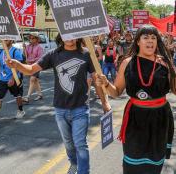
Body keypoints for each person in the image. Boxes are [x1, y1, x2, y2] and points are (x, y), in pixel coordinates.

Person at [95, 25, 176, 174]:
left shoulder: (165, 62)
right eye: (146, 37)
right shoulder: (127, 62)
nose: (150, 41)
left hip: (159, 118)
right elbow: (116, 92)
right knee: (132, 163)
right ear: (138, 41)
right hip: (135, 119)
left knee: (154, 165)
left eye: (153, 38)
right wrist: (105, 84)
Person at [6, 34, 111, 174]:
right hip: (60, 109)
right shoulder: (54, 54)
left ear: (78, 37)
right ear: (61, 37)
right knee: (68, 144)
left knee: (80, 144)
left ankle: (84, 171)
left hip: (80, 108)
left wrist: (104, 102)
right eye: (66, 35)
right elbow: (31, 69)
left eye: (73, 35)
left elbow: (96, 79)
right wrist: (17, 65)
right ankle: (73, 163)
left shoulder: (86, 54)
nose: (70, 38)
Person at [0, 40, 25, 124]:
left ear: (11, 40)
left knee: (17, 96)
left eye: (6, 39)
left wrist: (13, 79)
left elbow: (19, 66)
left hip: (14, 79)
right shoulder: (1, 52)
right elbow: (0, 65)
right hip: (2, 79)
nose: (4, 41)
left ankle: (20, 110)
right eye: (2, 40)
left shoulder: (15, 51)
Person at [22, 32, 44, 103]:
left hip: (37, 65)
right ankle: (40, 94)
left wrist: (30, 60)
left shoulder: (39, 47)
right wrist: (24, 48)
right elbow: (25, 55)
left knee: (32, 79)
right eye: (30, 38)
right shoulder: (28, 46)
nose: (31, 39)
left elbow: (40, 58)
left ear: (37, 39)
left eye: (33, 38)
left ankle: (27, 97)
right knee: (35, 80)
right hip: (29, 66)